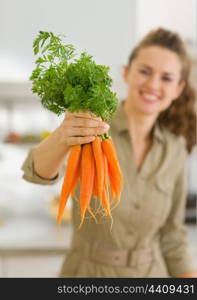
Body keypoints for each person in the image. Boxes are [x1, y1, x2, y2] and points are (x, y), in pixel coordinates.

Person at [21, 28, 197, 278]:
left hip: (150, 274)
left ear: (178, 89)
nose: (153, 84)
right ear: (126, 73)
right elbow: (35, 173)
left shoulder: (175, 149)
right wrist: (63, 135)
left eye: (166, 78)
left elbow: (172, 236)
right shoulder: (91, 124)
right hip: (88, 274)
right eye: (144, 71)